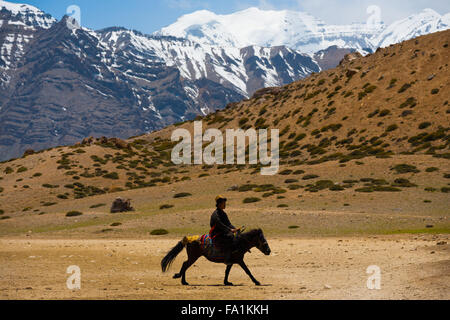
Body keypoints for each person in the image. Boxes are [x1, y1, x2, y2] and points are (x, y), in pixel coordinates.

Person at [210, 195, 238, 264]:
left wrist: (235, 229)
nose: (225, 205)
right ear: (219, 204)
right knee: (230, 238)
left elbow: (228, 223)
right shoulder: (215, 214)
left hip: (224, 232)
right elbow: (220, 225)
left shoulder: (223, 213)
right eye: (223, 203)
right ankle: (227, 258)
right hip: (216, 234)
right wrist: (230, 230)